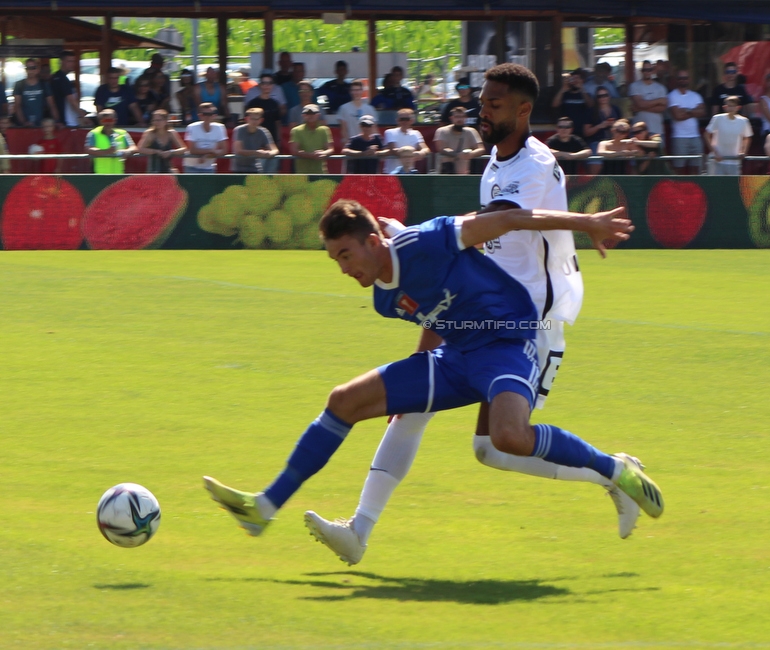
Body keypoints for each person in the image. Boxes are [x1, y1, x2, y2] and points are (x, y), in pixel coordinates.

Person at [305, 64, 642, 567]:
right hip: (478, 308)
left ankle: (613, 472)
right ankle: (358, 531)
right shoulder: (494, 161)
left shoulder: (534, 164)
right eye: (483, 102)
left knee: (497, 448)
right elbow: (486, 242)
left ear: (524, 110)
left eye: (494, 104)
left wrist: (409, 235)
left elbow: (494, 223)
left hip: (529, 321)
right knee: (412, 408)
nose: (482, 111)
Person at [202, 200, 663, 557]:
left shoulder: (428, 240)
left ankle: (614, 470)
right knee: (344, 400)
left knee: (507, 438)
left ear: (372, 241)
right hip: (456, 357)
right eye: (334, 260)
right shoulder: (383, 298)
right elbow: (435, 314)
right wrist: (414, 389)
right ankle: (265, 508)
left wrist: (589, 224)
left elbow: (508, 220)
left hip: (507, 341)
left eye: (345, 254)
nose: (343, 268)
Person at [245, 74, 286, 172]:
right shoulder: (253, 103)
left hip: (272, 144)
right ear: (260, 85)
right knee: (258, 174)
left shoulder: (275, 103)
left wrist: (279, 140)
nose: (266, 86)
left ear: (272, 86)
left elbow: (277, 123)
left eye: (269, 83)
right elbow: (247, 123)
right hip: (257, 145)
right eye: (264, 83)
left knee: (272, 173)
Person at [667, 70, 706, 175]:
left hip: (695, 137)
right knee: (678, 169)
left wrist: (686, 110)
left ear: (689, 79)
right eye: (680, 78)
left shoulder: (695, 96)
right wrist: (694, 111)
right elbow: (677, 116)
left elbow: (702, 112)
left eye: (685, 78)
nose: (683, 80)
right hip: (679, 137)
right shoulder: (672, 95)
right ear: (676, 80)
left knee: (696, 168)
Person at [705, 95, 753, 176]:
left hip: (734, 161)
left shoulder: (744, 121)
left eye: (733, 106)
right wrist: (715, 152)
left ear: (738, 107)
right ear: (725, 107)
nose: (730, 108)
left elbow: (747, 138)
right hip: (717, 160)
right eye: (728, 106)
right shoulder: (717, 118)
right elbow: (706, 135)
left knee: (733, 187)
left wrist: (743, 152)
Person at [433, 106, 484, 174]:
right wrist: (457, 155)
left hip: (467, 170)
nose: (459, 119)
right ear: (451, 118)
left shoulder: (471, 131)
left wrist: (471, 154)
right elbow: (441, 148)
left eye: (462, 117)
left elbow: (481, 149)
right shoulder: (442, 131)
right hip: (447, 170)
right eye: (457, 117)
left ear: (466, 118)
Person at [583, 88, 622, 173]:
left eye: (605, 95)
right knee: (596, 163)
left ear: (609, 96)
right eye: (600, 96)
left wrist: (616, 125)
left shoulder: (616, 109)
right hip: (596, 142)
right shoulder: (591, 111)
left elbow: (625, 127)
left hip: (614, 142)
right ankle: (592, 185)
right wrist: (600, 126)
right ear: (596, 98)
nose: (603, 98)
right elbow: (586, 132)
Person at [85, 109, 136, 174]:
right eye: (105, 120)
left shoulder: (123, 133)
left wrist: (127, 151)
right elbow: (88, 149)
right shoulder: (93, 133)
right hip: (99, 174)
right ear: (101, 121)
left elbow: (134, 148)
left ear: (115, 120)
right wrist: (107, 151)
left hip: (118, 173)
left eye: (110, 120)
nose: (108, 123)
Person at [137, 109, 187, 173]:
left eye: (159, 120)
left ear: (166, 121)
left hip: (168, 170)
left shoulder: (171, 133)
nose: (156, 122)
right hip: (154, 171)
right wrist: (156, 151)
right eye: (154, 120)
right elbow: (140, 149)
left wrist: (171, 152)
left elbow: (183, 149)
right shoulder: (150, 133)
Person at [183, 102, 228, 173]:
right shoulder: (192, 127)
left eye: (210, 114)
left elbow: (224, 150)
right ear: (199, 116)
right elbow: (192, 150)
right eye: (204, 114)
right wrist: (211, 151)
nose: (207, 117)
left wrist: (207, 155)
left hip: (209, 167)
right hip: (191, 167)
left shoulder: (220, 127)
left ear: (214, 115)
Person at [14, 58, 59, 127]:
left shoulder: (44, 84)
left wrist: (57, 121)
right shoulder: (19, 85)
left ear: (38, 70)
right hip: (25, 126)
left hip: (43, 125)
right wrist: (24, 123)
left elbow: (51, 105)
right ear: (25, 70)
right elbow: (17, 106)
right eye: (28, 68)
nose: (31, 70)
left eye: (33, 68)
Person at [289, 104, 333, 174]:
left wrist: (323, 153)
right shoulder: (296, 130)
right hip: (302, 173)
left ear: (318, 115)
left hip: (321, 171)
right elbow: (294, 150)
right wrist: (310, 155)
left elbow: (330, 149)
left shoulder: (325, 130)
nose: (310, 116)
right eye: (307, 113)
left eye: (313, 113)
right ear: (303, 115)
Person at [381, 108, 428, 174]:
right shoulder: (389, 132)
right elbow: (393, 149)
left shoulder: (416, 133)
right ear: (397, 120)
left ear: (412, 121)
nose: (404, 122)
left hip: (409, 173)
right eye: (402, 119)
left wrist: (422, 152)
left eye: (407, 119)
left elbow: (425, 148)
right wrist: (412, 153)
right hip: (392, 173)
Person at [629, 61, 668, 139]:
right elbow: (640, 104)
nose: (647, 72)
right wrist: (659, 100)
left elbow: (662, 108)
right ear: (641, 71)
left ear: (653, 71)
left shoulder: (660, 88)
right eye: (644, 70)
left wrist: (640, 108)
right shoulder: (634, 86)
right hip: (638, 131)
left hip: (656, 131)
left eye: (649, 70)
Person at [232, 107, 278, 173]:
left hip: (255, 169)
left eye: (257, 119)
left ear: (261, 120)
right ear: (246, 119)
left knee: (273, 160)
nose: (254, 121)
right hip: (238, 169)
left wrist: (268, 154)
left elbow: (275, 150)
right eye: (252, 119)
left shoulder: (263, 131)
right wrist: (256, 152)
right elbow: (238, 151)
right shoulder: (239, 130)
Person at [550, 69, 592, 140]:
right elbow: (554, 105)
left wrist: (582, 89)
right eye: (573, 78)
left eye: (577, 78)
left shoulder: (585, 94)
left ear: (582, 80)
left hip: (581, 131)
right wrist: (563, 89)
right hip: (566, 130)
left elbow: (590, 105)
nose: (575, 81)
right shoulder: (565, 94)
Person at [50, 51, 87, 127]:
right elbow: (72, 101)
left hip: (65, 120)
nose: (72, 64)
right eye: (69, 61)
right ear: (62, 62)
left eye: (73, 61)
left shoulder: (58, 77)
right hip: (66, 122)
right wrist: (82, 115)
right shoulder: (62, 79)